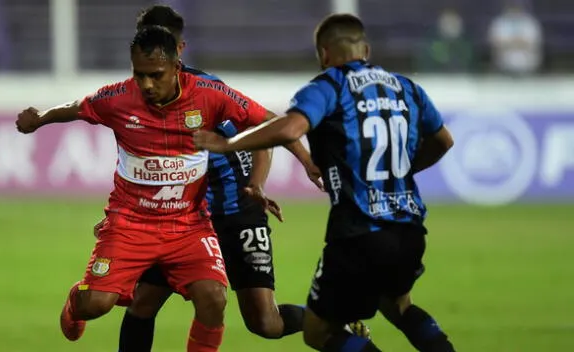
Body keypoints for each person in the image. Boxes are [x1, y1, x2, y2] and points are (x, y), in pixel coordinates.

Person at [194, 13, 456, 352]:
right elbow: (444, 141)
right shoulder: (407, 87)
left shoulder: (330, 85)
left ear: (324, 54)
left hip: (358, 234)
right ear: (366, 49)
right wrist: (403, 173)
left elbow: (289, 128)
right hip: (409, 228)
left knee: (318, 332)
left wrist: (228, 143)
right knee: (399, 306)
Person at [16, 25, 274, 352]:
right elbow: (77, 107)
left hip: (188, 226)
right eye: (139, 75)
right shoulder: (118, 97)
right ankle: (75, 302)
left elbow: (269, 122)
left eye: (156, 75)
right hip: (130, 225)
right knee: (96, 304)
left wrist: (264, 176)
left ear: (177, 67)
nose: (147, 84)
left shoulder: (209, 94)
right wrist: (40, 117)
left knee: (213, 298)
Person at [103, 5, 327, 352]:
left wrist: (261, 181)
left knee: (265, 323)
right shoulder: (135, 98)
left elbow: (266, 130)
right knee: (143, 302)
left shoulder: (207, 92)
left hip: (236, 213)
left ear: (178, 49)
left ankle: (331, 321)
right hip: (184, 221)